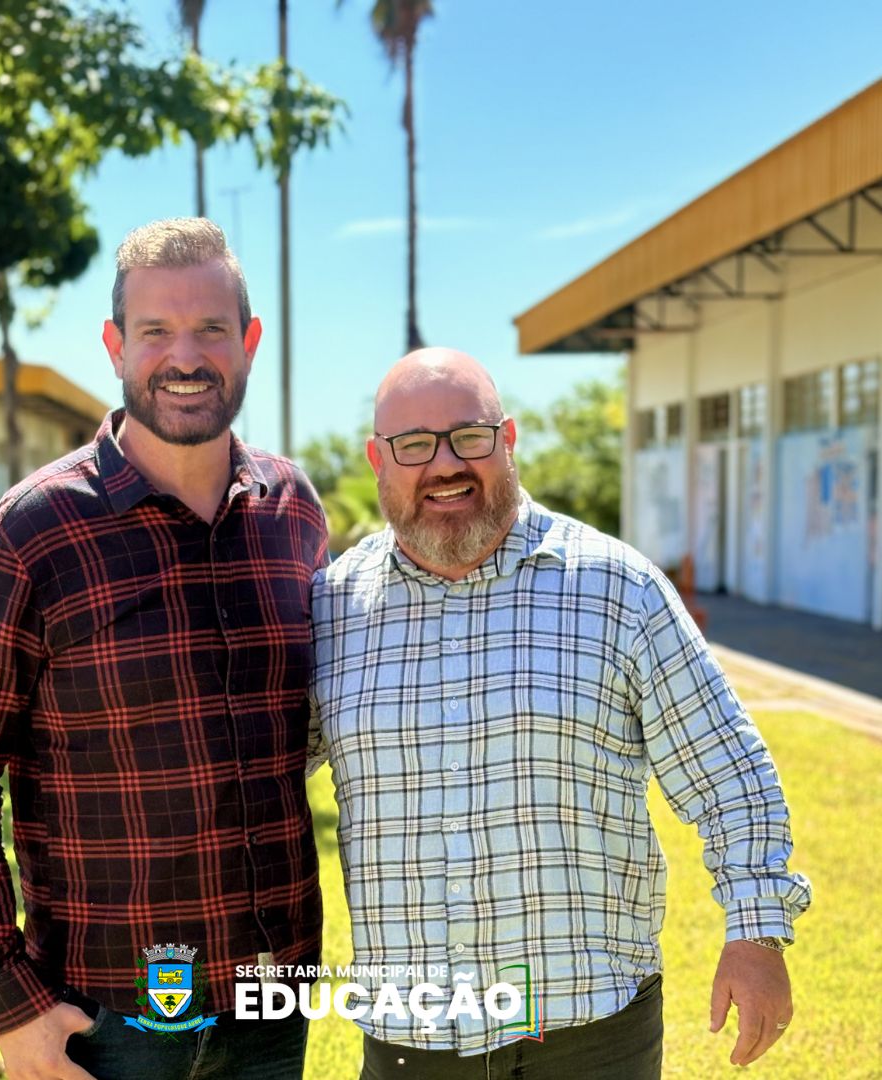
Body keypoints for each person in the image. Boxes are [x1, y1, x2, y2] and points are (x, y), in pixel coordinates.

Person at [308, 348, 811, 1079]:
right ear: (378, 460)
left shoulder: (618, 590)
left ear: (507, 441)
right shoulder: (332, 611)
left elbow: (729, 774)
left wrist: (757, 934)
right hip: (410, 1043)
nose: (444, 463)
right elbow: (249, 775)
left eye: (469, 436)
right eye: (414, 445)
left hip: (589, 1035)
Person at [0, 218, 328, 1080]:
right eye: (155, 332)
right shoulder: (31, 535)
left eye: (211, 329)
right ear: (115, 346)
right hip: (108, 1016)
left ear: (248, 341)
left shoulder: (293, 510)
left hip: (273, 1000)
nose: (186, 356)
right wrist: (10, 1003)